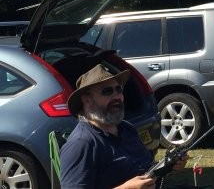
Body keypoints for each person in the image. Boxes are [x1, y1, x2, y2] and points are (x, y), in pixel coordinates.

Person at [59, 64, 188, 189]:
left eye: (119, 89)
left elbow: (145, 167)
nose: (117, 96)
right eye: (107, 91)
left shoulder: (126, 128)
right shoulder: (81, 144)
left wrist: (169, 165)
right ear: (87, 100)